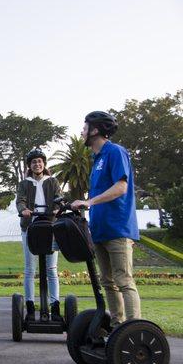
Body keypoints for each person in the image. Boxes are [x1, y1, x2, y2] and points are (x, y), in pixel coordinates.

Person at [71, 111, 141, 327]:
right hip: (100, 230)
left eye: (84, 127)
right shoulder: (96, 158)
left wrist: (90, 202)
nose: (82, 131)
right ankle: (117, 326)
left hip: (118, 228)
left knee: (124, 280)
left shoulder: (115, 152)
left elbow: (121, 187)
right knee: (107, 282)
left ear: (95, 130)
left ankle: (134, 329)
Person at [16, 148, 63, 321]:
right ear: (30, 165)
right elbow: (20, 200)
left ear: (44, 164)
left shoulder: (52, 181)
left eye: (40, 161)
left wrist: (58, 208)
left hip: (50, 226)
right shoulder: (24, 183)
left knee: (51, 269)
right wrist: (24, 210)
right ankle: (29, 307)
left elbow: (59, 197)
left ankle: (55, 307)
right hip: (30, 226)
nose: (37, 164)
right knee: (30, 269)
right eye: (34, 161)